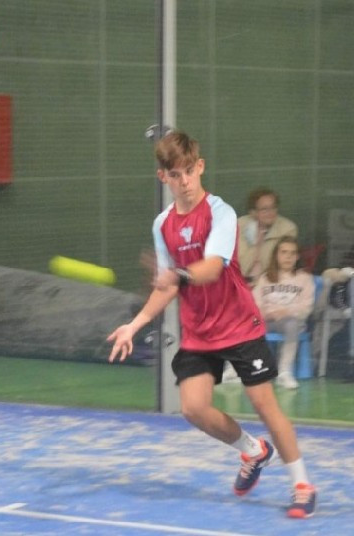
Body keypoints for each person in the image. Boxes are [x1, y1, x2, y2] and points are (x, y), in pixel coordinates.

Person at [107, 130, 316, 518]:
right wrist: (134, 325)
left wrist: (177, 275)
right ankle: (254, 451)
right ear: (163, 177)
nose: (184, 181)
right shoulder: (163, 225)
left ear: (200, 167)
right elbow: (167, 286)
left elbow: (212, 268)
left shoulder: (220, 212)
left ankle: (302, 484)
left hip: (239, 325)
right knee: (193, 408)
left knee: (264, 405)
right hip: (199, 331)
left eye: (189, 171)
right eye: (175, 175)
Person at [252, 236, 316, 389]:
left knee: (291, 324)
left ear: (297, 257)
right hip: (266, 320)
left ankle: (284, 372)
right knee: (244, 323)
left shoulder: (304, 279)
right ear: (276, 255)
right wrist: (267, 314)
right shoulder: (265, 278)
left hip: (291, 321)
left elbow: (306, 308)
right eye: (284, 252)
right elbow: (255, 304)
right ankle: (234, 370)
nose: (288, 257)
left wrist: (287, 312)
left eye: (292, 253)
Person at [238, 188, 297, 287]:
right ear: (253, 212)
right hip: (241, 283)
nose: (270, 213)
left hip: (271, 284)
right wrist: (256, 242)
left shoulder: (287, 229)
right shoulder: (239, 226)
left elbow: (278, 266)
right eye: (264, 209)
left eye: (273, 207)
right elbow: (241, 267)